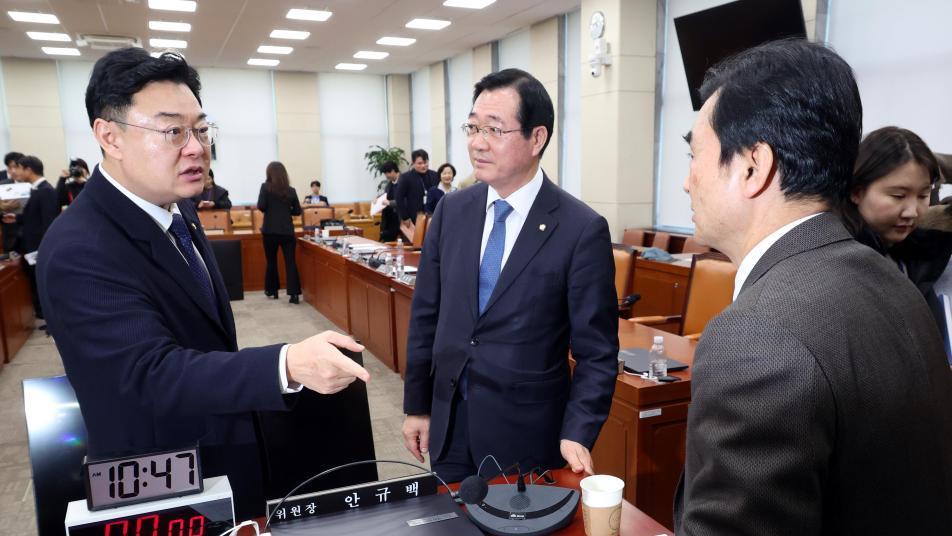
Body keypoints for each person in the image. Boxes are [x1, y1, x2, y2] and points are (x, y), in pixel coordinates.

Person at [36, 48, 370, 520]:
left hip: (219, 453)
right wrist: (285, 365)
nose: (196, 147)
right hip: (157, 484)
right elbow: (148, 375)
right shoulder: (80, 246)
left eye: (200, 128)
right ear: (108, 135)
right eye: (173, 130)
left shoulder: (179, 210)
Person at [675, 39, 952, 534]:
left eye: (696, 154)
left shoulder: (756, 336)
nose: (687, 181)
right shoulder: (895, 285)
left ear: (752, 167)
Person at [401, 68, 618, 483]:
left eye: (495, 130)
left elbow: (597, 351)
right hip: (450, 427)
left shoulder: (579, 228)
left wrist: (579, 430)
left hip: (526, 436)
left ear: (537, 138)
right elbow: (426, 316)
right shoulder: (452, 210)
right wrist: (418, 405)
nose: (477, 142)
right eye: (473, 126)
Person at [839, 126, 952, 346]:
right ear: (856, 191)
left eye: (923, 195)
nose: (912, 211)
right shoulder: (841, 264)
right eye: (898, 195)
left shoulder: (910, 251)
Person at [3, 155, 57, 319]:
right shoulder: (35, 190)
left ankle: (51, 317)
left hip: (39, 248)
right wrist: (16, 217)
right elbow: (33, 216)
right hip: (31, 247)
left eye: (19, 168)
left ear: (28, 170)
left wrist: (44, 249)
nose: (16, 172)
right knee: (36, 283)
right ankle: (45, 315)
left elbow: (48, 223)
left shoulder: (46, 190)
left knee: (44, 284)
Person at [258, 161, 302, 304]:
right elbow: (297, 211)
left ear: (269, 174)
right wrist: (285, 211)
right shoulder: (291, 190)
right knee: (290, 262)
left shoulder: (265, 188)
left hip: (270, 231)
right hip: (287, 231)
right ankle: (294, 294)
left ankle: (273, 290)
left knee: (271, 261)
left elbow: (261, 206)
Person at [394, 148, 438, 225]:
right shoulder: (405, 177)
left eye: (425, 162)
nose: (423, 166)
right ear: (413, 163)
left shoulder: (434, 175)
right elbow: (399, 198)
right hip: (414, 217)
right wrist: (405, 217)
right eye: (419, 163)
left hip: (432, 216)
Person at [0, 151, 24, 253]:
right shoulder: (2, 185)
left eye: (16, 167)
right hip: (10, 237)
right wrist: (2, 208)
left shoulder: (33, 184)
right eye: (10, 168)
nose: (13, 171)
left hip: (30, 236)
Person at [378, 161, 401, 242]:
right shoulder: (389, 184)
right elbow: (385, 196)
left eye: (388, 172)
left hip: (401, 219)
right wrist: (378, 200)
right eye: (385, 173)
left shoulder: (404, 182)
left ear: (394, 170)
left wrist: (389, 203)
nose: (387, 175)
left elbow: (405, 201)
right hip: (389, 220)